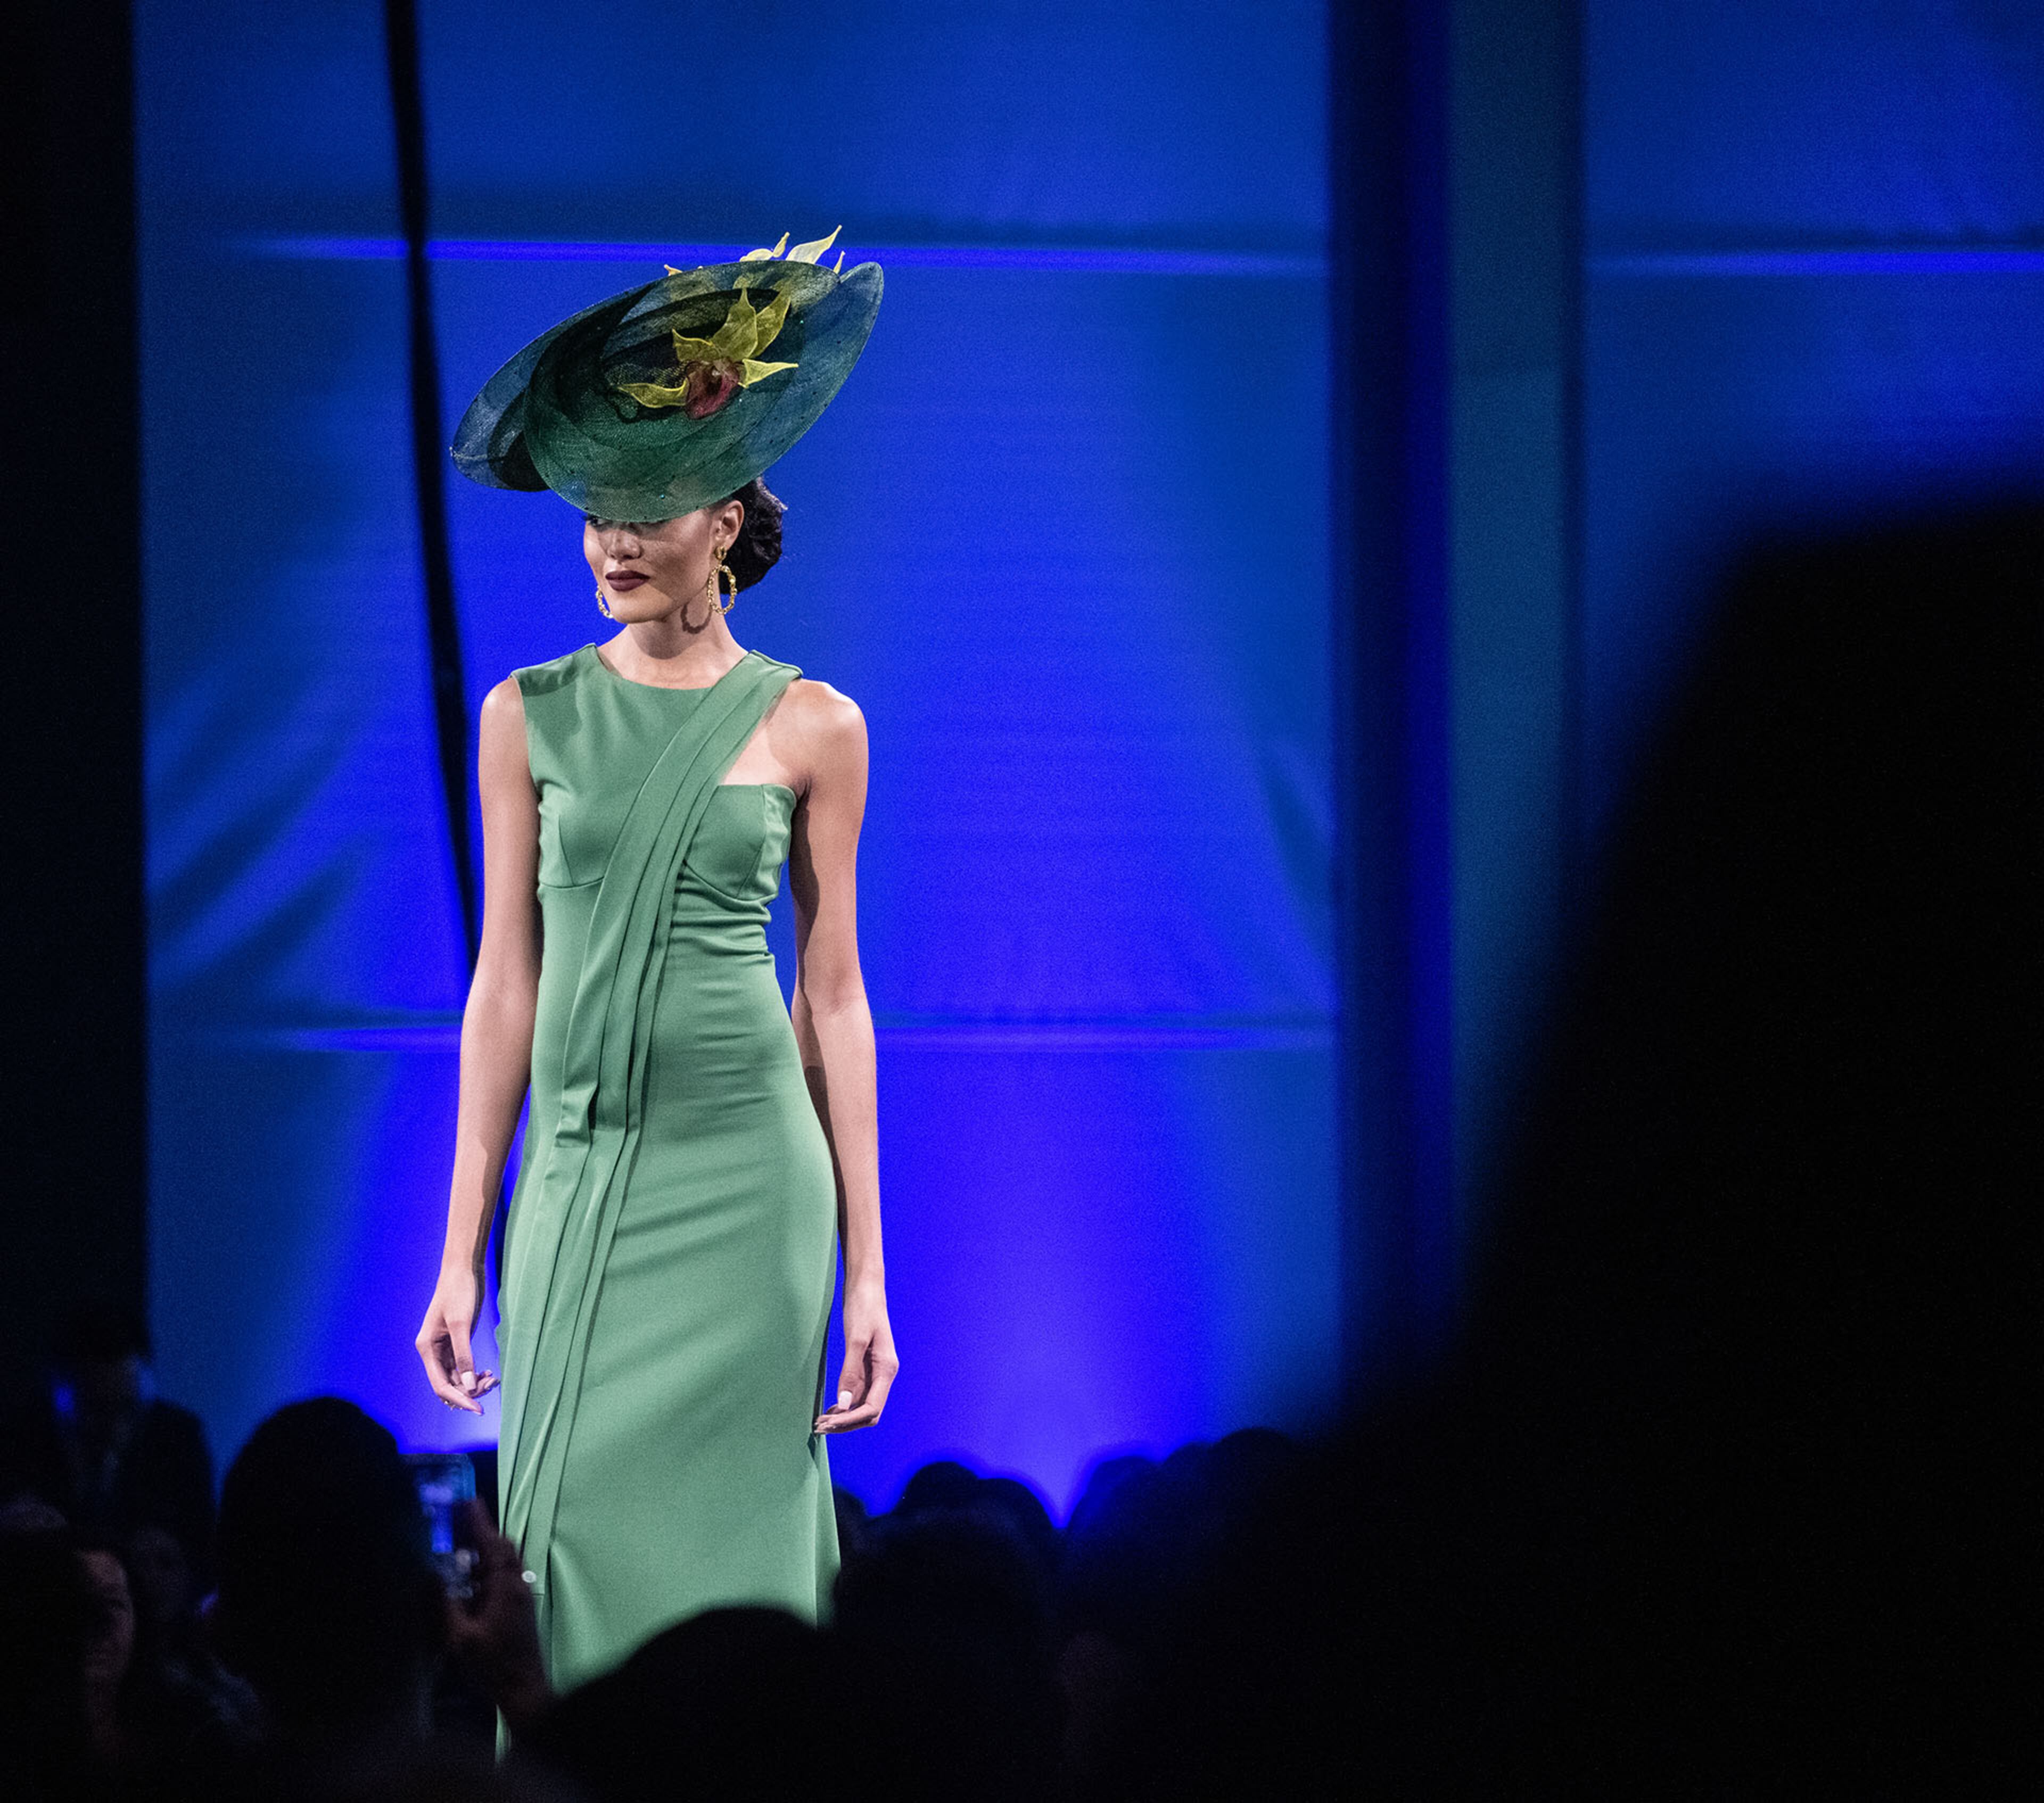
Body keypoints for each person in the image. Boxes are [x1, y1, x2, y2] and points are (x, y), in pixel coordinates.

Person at [416, 228, 899, 1694]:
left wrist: (869, 1274)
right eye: (595, 513)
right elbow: (504, 984)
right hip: (579, 1178)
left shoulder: (818, 725)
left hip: (752, 1192)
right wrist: (459, 1244)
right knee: (560, 1554)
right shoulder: (526, 713)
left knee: (741, 1576)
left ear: (728, 520)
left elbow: (834, 997)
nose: (615, 542)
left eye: (648, 509)